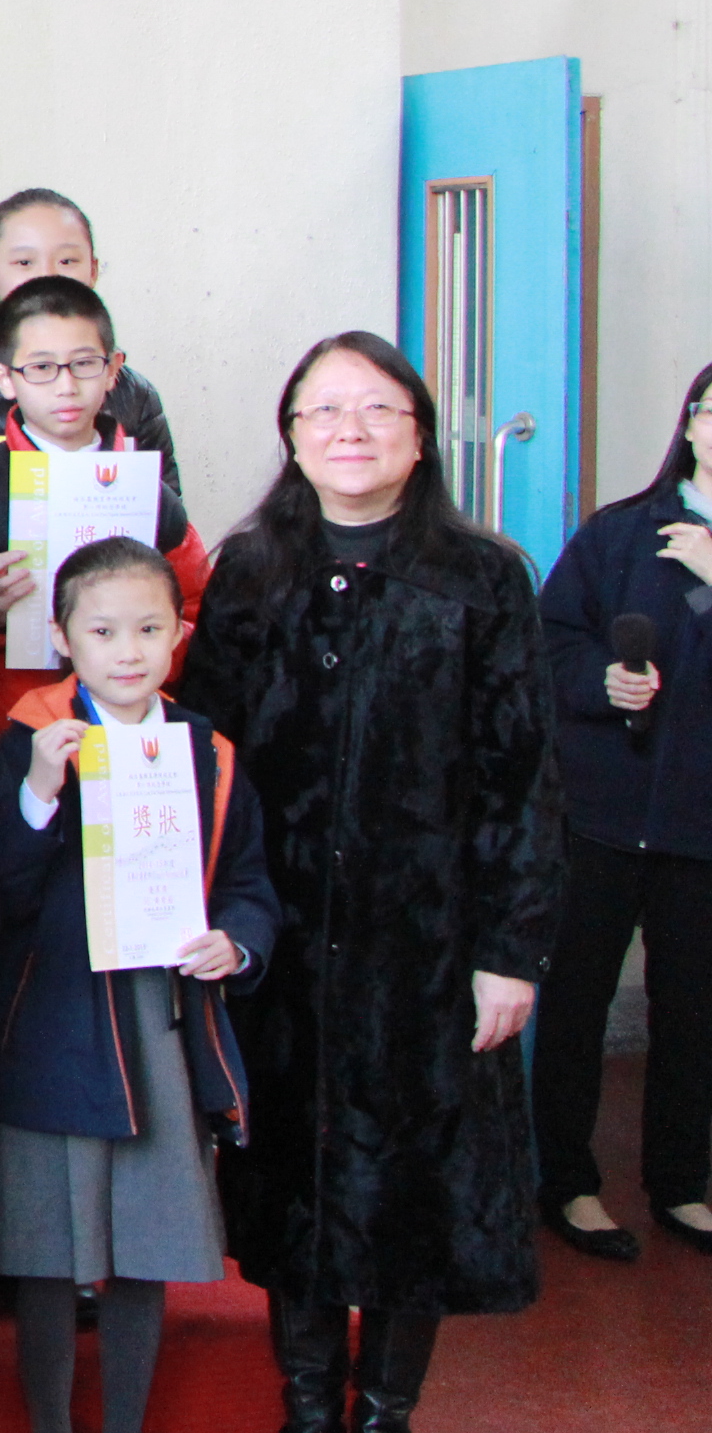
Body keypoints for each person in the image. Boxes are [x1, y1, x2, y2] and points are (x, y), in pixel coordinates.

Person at [175, 333, 563, 1433]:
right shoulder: (252, 570)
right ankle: (306, 1398)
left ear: (420, 434)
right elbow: (206, 755)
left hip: (430, 945)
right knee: (289, 1176)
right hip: (280, 934)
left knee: (415, 1188)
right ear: (293, 437)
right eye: (324, 411)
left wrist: (510, 952)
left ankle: (388, 1405)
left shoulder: (484, 576)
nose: (350, 430)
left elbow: (525, 778)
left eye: (378, 409)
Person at [0, 538, 280, 1433]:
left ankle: (126, 1420)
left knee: (145, 1246)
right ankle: (50, 1420)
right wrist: (38, 792)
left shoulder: (206, 750)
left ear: (180, 635)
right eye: (103, 631)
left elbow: (247, 881)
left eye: (150, 629)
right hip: (53, 1024)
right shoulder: (33, 737)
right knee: (45, 1252)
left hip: (158, 1025)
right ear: (61, 637)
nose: (128, 651)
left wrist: (237, 943)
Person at [531, 360, 712, 1261]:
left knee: (693, 1009)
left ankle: (681, 1184)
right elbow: (551, 638)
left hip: (702, 824)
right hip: (603, 809)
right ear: (693, 423)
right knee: (576, 999)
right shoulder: (620, 533)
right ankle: (567, 1182)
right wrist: (602, 681)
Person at [0, 276, 206, 746]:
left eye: (84, 364)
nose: (66, 386)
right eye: (41, 368)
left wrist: (152, 636)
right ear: (3, 378)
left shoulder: (152, 498)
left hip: (133, 738)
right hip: (10, 736)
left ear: (113, 370)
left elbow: (195, 613)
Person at [0, 188, 180, 489]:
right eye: (24, 263)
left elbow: (165, 508)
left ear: (93, 270)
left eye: (67, 261)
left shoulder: (134, 395)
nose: (46, 276)